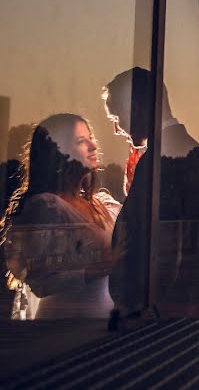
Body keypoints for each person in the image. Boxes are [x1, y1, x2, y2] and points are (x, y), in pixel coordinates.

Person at [102, 67, 199, 316]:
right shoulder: (198, 155)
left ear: (134, 107)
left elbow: (152, 243)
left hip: (160, 311)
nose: (117, 129)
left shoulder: (159, 160)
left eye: (115, 118)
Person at [1, 114, 121, 319]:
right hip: (63, 325)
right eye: (81, 141)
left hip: (102, 324)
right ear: (58, 151)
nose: (93, 145)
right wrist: (95, 270)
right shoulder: (47, 207)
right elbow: (40, 281)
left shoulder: (102, 204)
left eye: (91, 138)